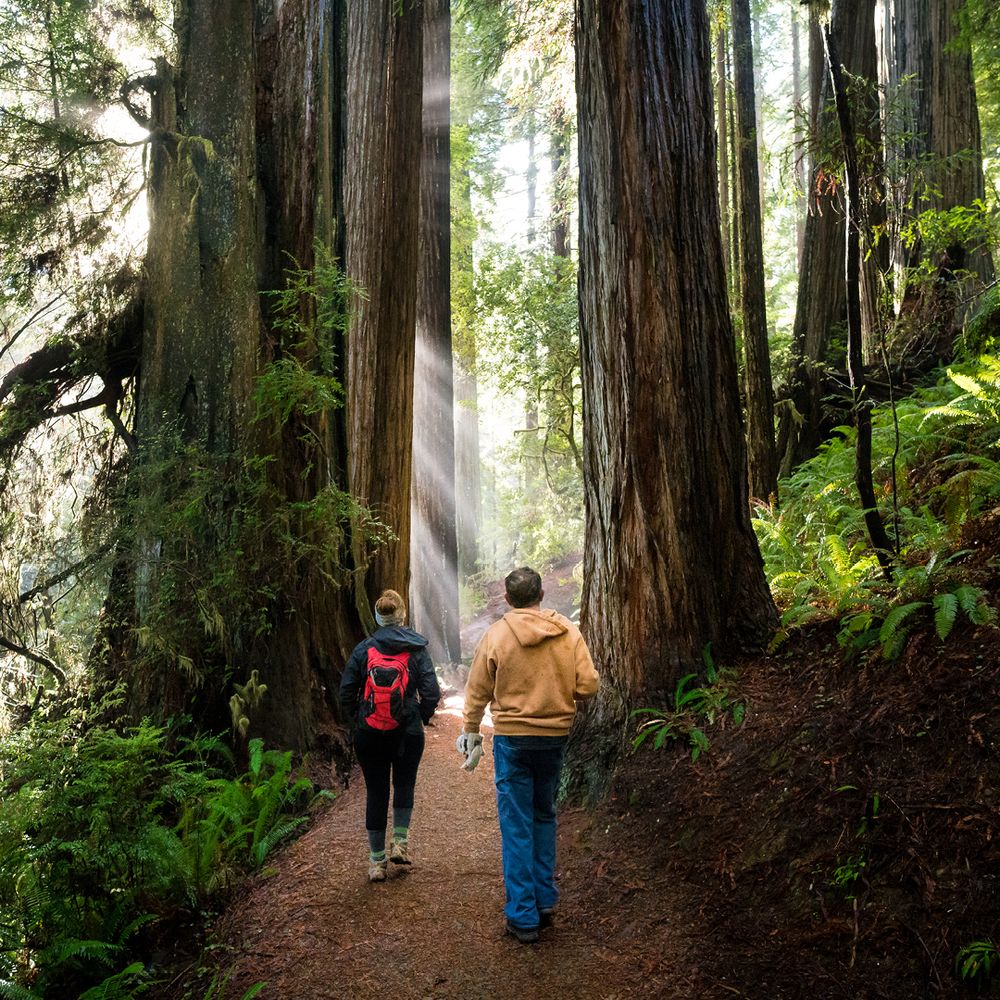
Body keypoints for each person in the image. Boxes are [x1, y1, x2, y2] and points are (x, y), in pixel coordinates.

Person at [457, 566, 599, 943]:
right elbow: (589, 684)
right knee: (544, 816)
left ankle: (522, 915)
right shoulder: (567, 632)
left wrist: (471, 729)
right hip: (554, 738)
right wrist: (562, 696)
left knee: (516, 824)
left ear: (508, 599)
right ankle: (545, 900)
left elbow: (476, 691)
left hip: (513, 741)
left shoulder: (498, 635)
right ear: (541, 595)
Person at [340, 589, 441, 882]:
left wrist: (359, 719)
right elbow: (431, 693)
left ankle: (376, 863)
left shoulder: (364, 649)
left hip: (369, 733)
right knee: (404, 784)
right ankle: (400, 843)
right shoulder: (416, 649)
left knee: (376, 791)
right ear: (402, 615)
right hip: (407, 732)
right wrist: (419, 716)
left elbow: (346, 692)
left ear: (378, 617)